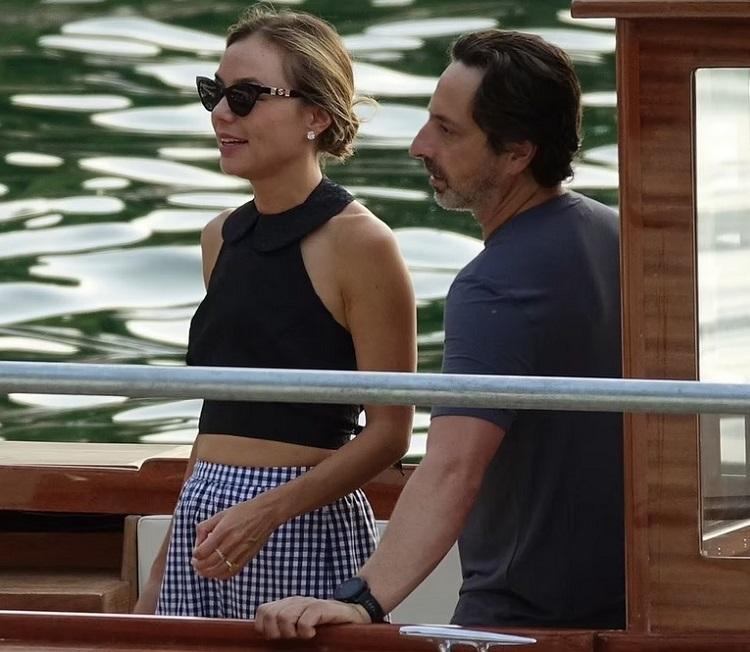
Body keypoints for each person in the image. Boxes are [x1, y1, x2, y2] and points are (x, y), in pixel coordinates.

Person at [254, 28, 624, 635]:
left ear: (517, 153)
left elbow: (453, 467)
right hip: (628, 611)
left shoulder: (494, 285)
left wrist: (361, 601)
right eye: (429, 120)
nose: (419, 145)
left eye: (448, 131)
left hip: (520, 624)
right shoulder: (621, 240)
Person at [133, 5, 416, 619]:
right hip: (204, 522)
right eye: (214, 93)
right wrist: (160, 571)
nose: (221, 113)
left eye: (244, 96)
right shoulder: (220, 237)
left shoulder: (362, 243)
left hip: (301, 524)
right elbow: (217, 416)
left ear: (317, 115)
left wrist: (266, 511)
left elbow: (390, 432)